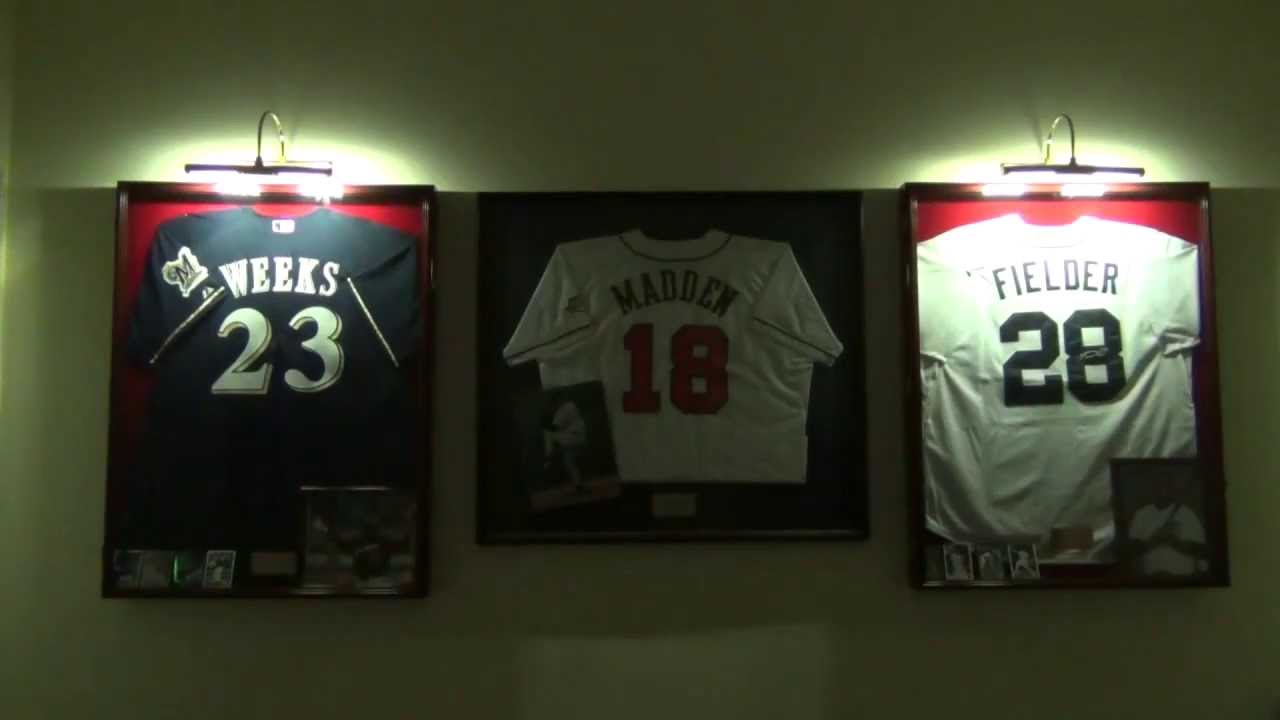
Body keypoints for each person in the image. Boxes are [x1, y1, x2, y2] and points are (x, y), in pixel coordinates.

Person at [1128, 476, 1207, 576]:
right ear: (1152, 489)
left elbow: (1202, 551)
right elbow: (1130, 551)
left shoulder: (1188, 515)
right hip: (1151, 580)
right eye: (1158, 486)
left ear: (1172, 489)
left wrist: (1174, 542)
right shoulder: (1141, 515)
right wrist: (1154, 540)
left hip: (1182, 580)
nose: (1162, 490)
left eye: (1166, 485)